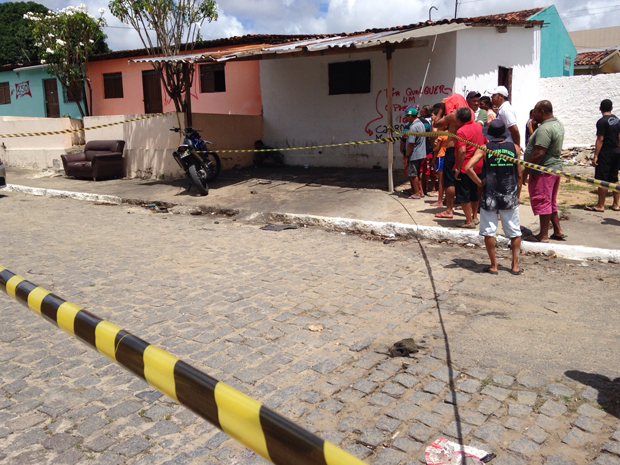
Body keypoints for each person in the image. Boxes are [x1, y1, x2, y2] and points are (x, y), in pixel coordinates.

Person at [465, 119, 523, 275]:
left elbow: (468, 167)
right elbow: (519, 175)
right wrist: (517, 195)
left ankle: (494, 266)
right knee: (514, 231)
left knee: (489, 231)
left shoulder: (484, 148)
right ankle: (515, 265)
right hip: (509, 194)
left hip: (489, 194)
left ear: (489, 134)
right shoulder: (515, 148)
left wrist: (480, 182)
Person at [523, 100, 566, 242]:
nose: (533, 114)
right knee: (550, 201)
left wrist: (526, 171)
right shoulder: (557, 124)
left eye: (535, 111)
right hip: (554, 169)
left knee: (542, 200)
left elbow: (539, 153)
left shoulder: (545, 129)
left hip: (543, 171)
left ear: (542, 112)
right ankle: (558, 230)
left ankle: (543, 234)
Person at [432, 94, 470, 219]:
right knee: (464, 179)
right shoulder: (469, 114)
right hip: (465, 149)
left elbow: (436, 124)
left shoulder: (453, 115)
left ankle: (449, 210)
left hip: (452, 148)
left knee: (449, 181)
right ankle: (472, 214)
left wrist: (442, 108)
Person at [585, 99, 620, 212]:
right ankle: (616, 204)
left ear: (600, 108)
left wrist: (596, 156)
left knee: (602, 179)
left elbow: (600, 139)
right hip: (616, 151)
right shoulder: (617, 120)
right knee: (614, 178)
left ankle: (600, 205)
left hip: (606, 153)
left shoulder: (601, 122)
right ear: (612, 107)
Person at [454, 106, 486, 228]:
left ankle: (468, 221)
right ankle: (475, 217)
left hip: (465, 167)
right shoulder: (479, 127)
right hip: (477, 165)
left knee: (464, 195)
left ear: (459, 119)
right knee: (474, 192)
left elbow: (462, 151)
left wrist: (457, 169)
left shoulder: (461, 131)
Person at [404, 107, 426, 199]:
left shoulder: (413, 127)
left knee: (413, 174)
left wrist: (406, 155)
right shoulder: (421, 124)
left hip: (414, 154)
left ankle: (417, 193)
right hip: (421, 153)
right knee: (417, 173)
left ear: (410, 116)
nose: (406, 118)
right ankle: (420, 191)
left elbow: (411, 144)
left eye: (407, 116)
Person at [431, 105, 447, 207]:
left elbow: (436, 148)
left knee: (441, 181)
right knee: (446, 180)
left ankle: (440, 200)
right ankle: (444, 199)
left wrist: (433, 158)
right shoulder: (449, 132)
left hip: (441, 156)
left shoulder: (441, 134)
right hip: (448, 156)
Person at [419, 105, 437, 196]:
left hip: (428, 148)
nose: (420, 112)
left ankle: (424, 188)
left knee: (426, 169)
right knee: (432, 168)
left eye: (422, 111)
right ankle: (432, 187)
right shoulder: (432, 121)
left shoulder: (426, 122)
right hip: (433, 148)